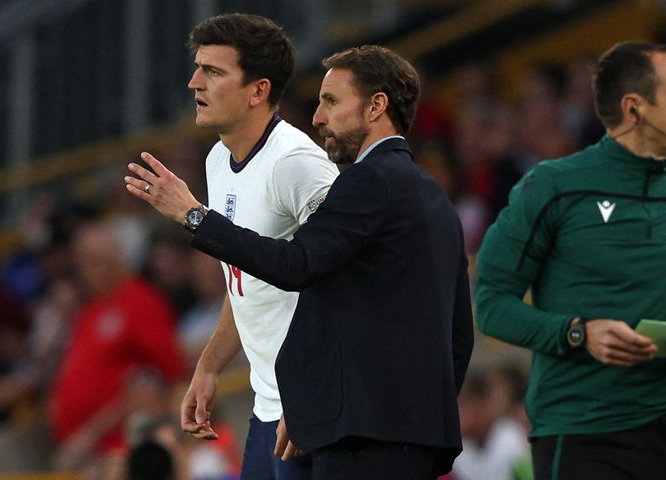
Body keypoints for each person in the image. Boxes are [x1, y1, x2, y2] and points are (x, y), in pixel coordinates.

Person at [125, 44, 473, 480]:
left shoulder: (366, 183)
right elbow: (458, 331)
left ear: (376, 106)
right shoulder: (434, 196)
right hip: (413, 433)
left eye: (331, 101)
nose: (318, 117)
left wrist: (194, 217)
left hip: (361, 436)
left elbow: (296, 265)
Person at [475, 41, 666, 480]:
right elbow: (491, 303)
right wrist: (578, 333)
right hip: (588, 435)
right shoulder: (554, 187)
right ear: (635, 108)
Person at [165, 13, 340, 480]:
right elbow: (245, 281)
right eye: (198, 68)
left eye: (214, 72)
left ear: (258, 91)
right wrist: (209, 366)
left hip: (312, 408)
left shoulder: (299, 165)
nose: (194, 82)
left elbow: (347, 282)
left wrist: (314, 399)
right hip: (268, 405)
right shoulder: (218, 158)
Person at [49, 222, 184, 471]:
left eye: (95, 260)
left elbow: (162, 376)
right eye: (84, 262)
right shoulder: (90, 311)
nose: (87, 271)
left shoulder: (140, 302)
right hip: (81, 451)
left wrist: (90, 434)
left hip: (120, 451)